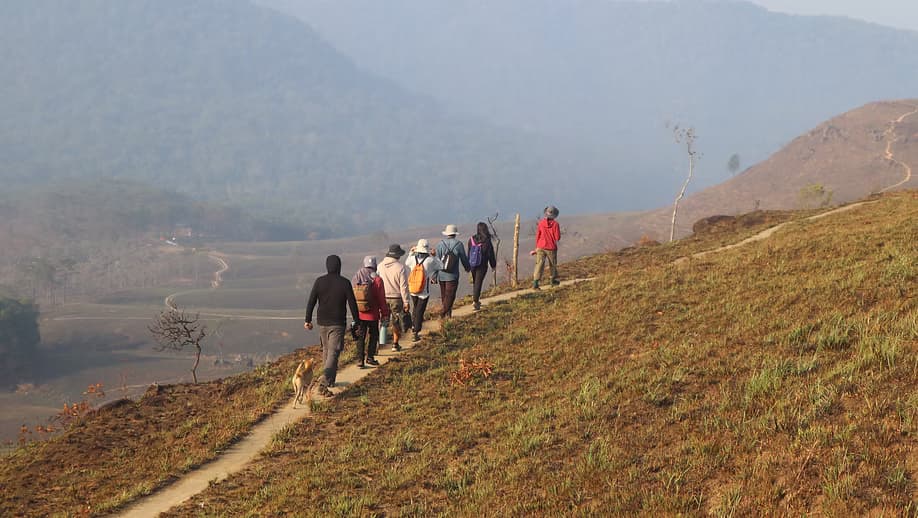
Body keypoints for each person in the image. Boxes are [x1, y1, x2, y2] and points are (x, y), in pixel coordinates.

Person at [304, 254, 360, 397]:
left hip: (322, 322)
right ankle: (323, 382)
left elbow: (311, 301)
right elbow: (352, 303)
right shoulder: (344, 282)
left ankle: (330, 380)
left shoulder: (319, 281)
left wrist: (307, 320)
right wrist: (356, 320)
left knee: (327, 352)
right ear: (339, 266)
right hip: (337, 323)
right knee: (333, 352)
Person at [351, 256, 390, 368]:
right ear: (375, 265)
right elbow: (381, 299)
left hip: (360, 313)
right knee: (374, 335)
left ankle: (360, 360)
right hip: (373, 314)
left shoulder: (357, 276)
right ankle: (370, 357)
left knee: (361, 336)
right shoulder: (377, 279)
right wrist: (385, 313)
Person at [405, 239, 443, 342]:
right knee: (419, 311)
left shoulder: (413, 259)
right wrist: (435, 256)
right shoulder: (430, 261)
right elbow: (441, 266)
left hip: (413, 289)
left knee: (415, 309)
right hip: (423, 291)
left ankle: (413, 327)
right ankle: (415, 331)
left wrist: (411, 252)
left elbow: (406, 262)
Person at [378, 244, 411, 351]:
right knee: (396, 322)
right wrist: (406, 302)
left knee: (383, 321)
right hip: (396, 298)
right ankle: (395, 344)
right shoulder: (400, 267)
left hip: (382, 297)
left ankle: (380, 344)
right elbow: (404, 287)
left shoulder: (380, 266)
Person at [435, 224, 470, 318]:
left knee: (444, 296)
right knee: (450, 296)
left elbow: (436, 262)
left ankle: (447, 315)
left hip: (441, 275)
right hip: (452, 275)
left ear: (446, 233)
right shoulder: (459, 244)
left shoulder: (440, 244)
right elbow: (464, 258)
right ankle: (443, 312)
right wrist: (467, 268)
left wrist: (435, 276)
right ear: (455, 234)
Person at [468, 221, 498, 311]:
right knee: (478, 282)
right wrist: (493, 265)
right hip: (482, 265)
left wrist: (468, 265)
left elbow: (468, 253)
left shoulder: (471, 239)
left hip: (472, 264)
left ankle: (475, 298)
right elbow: (490, 254)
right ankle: (475, 301)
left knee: (475, 282)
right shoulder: (487, 241)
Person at [533, 205, 561, 290]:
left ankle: (536, 284)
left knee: (539, 264)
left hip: (540, 246)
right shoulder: (556, 224)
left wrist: (537, 247)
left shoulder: (541, 223)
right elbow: (557, 237)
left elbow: (537, 236)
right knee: (552, 264)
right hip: (551, 247)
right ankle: (553, 281)